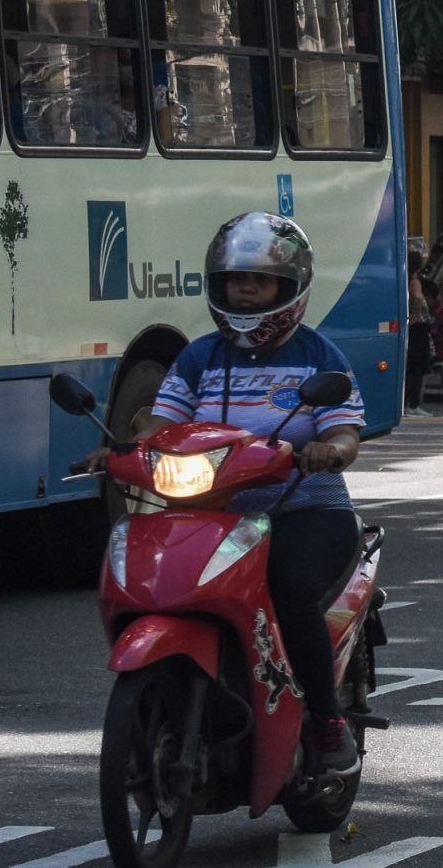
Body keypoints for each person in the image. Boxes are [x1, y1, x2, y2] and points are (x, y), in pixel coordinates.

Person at [82, 212, 367, 776]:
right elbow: (157, 428)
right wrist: (118, 452)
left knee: (287, 587)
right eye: (236, 280)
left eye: (258, 281)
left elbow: (345, 433)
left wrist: (328, 451)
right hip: (211, 514)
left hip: (304, 509)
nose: (244, 290)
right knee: (158, 581)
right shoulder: (198, 358)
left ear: (288, 289)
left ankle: (329, 721)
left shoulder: (320, 358)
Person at [404, 241, 436, 415]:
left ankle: (408, 401)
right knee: (418, 367)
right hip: (419, 327)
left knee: (410, 367)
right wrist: (416, 313)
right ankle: (413, 404)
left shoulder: (406, 279)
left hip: (412, 328)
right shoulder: (415, 281)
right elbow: (417, 297)